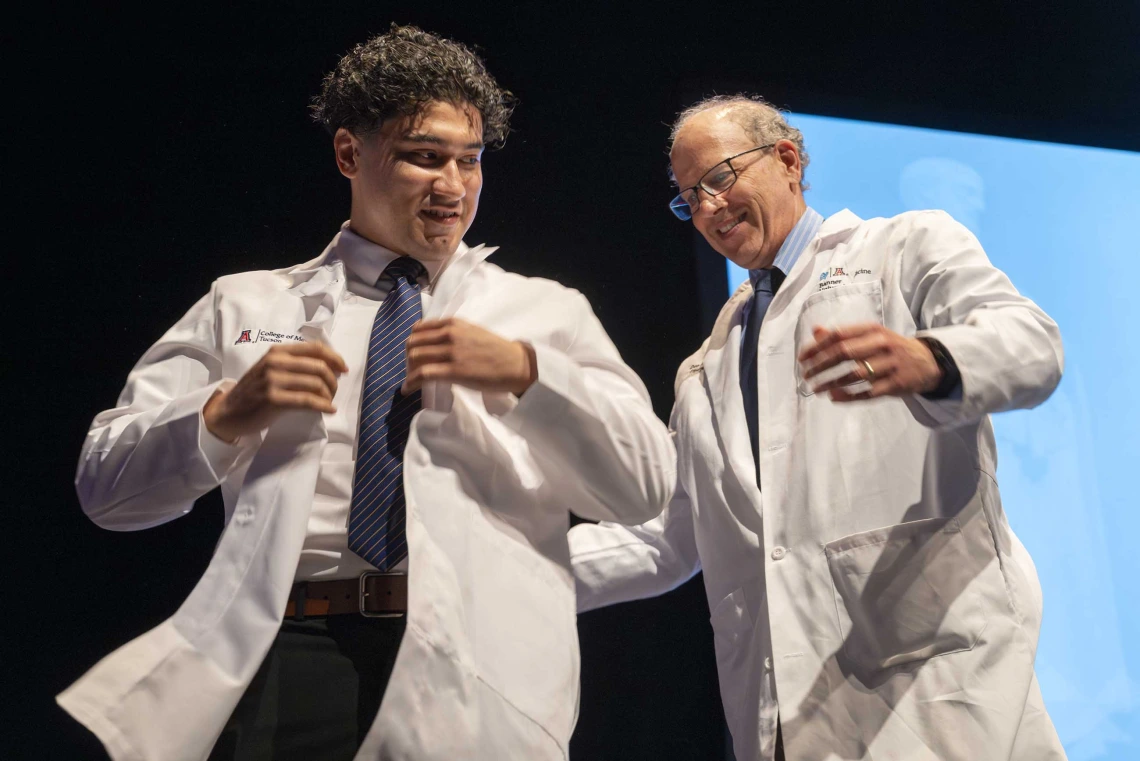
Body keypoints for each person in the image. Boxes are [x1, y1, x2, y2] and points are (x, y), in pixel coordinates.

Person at [59, 25, 675, 761]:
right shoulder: (248, 305)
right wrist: (225, 411)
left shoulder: (546, 313)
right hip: (288, 655)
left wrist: (527, 372)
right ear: (351, 153)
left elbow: (645, 487)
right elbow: (106, 489)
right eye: (425, 157)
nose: (453, 186)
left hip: (475, 656)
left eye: (470, 161)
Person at [569, 95, 1067, 761]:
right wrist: (516, 568)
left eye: (720, 177)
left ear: (787, 160)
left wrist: (933, 359)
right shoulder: (707, 364)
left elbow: (1033, 345)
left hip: (936, 688)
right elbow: (670, 534)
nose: (709, 209)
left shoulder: (904, 248)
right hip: (789, 716)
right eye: (690, 198)